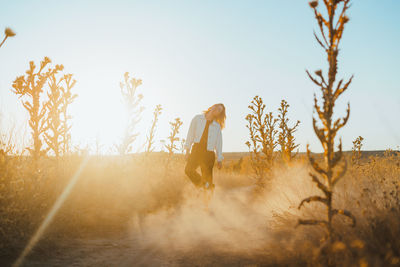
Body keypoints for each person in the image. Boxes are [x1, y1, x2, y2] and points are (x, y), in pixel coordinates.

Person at [184, 103, 226, 190]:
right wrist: (187, 150)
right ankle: (206, 185)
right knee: (188, 170)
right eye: (217, 107)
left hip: (209, 154)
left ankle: (207, 200)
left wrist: (219, 159)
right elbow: (190, 135)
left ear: (219, 114)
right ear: (212, 106)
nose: (216, 109)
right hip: (196, 150)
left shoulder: (217, 126)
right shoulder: (197, 119)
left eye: (219, 110)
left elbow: (219, 143)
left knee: (207, 178)